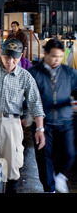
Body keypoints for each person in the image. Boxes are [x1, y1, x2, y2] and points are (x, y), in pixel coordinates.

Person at [0, 37, 45, 193]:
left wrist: (40, 129)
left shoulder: (25, 77)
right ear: (0, 54)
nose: (10, 61)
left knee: (12, 167)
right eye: (7, 56)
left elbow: (35, 103)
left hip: (12, 123)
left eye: (14, 57)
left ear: (20, 56)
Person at [27, 38, 77, 193]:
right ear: (45, 54)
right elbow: (25, 97)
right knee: (44, 158)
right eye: (54, 56)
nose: (57, 60)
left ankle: (60, 176)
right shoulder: (33, 73)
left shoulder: (69, 73)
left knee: (69, 154)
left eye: (60, 57)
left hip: (65, 121)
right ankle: (49, 188)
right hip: (43, 123)